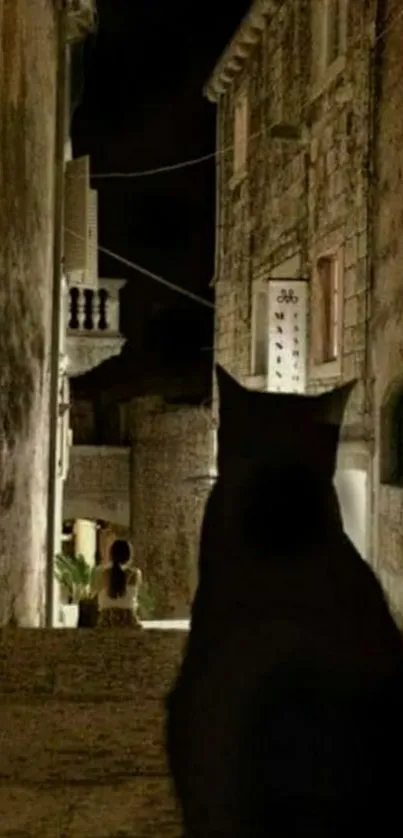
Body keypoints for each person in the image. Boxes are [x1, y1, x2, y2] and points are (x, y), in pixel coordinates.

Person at [93, 538, 142, 628]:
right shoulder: (135, 574)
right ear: (129, 556)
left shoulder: (100, 573)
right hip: (129, 620)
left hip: (106, 620)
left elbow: (94, 593)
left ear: (111, 555)